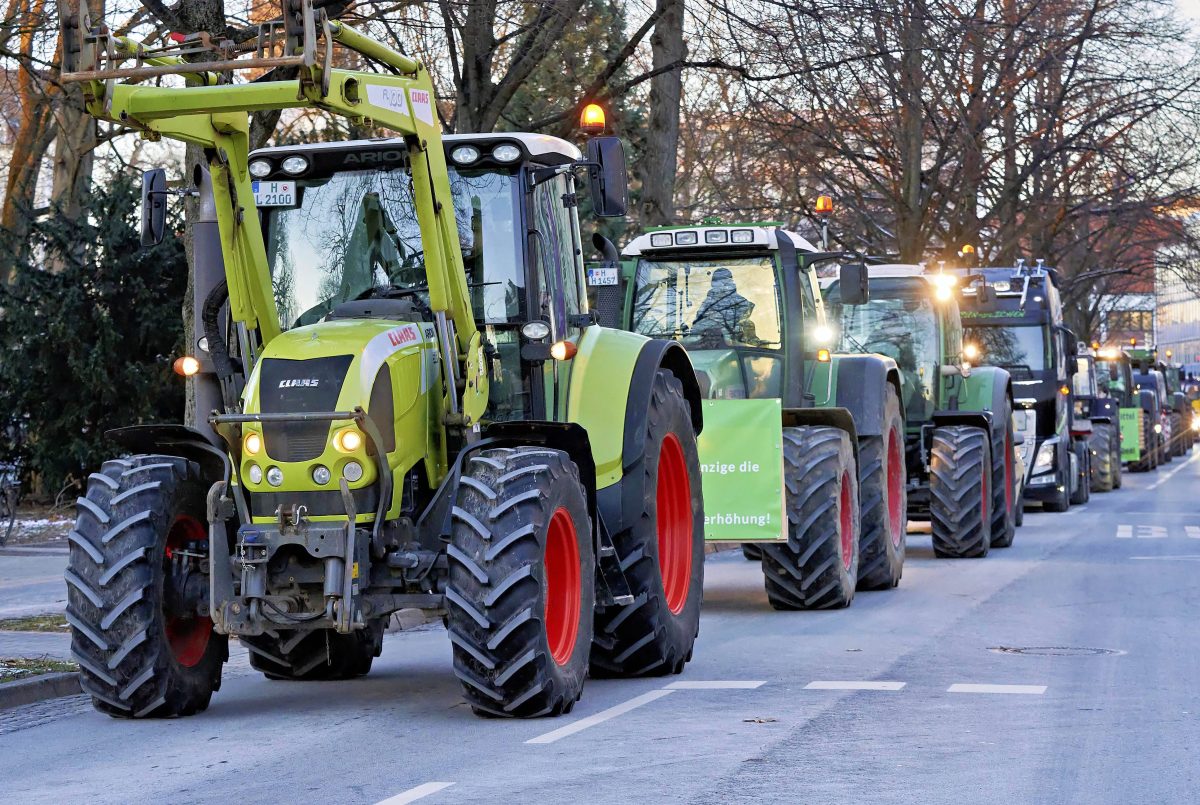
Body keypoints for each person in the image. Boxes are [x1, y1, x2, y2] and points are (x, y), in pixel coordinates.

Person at [691, 267, 757, 344]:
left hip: (735, 346)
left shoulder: (742, 304)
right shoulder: (707, 304)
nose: (721, 285)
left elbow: (748, 336)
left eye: (724, 282)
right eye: (718, 282)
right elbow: (697, 328)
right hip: (710, 346)